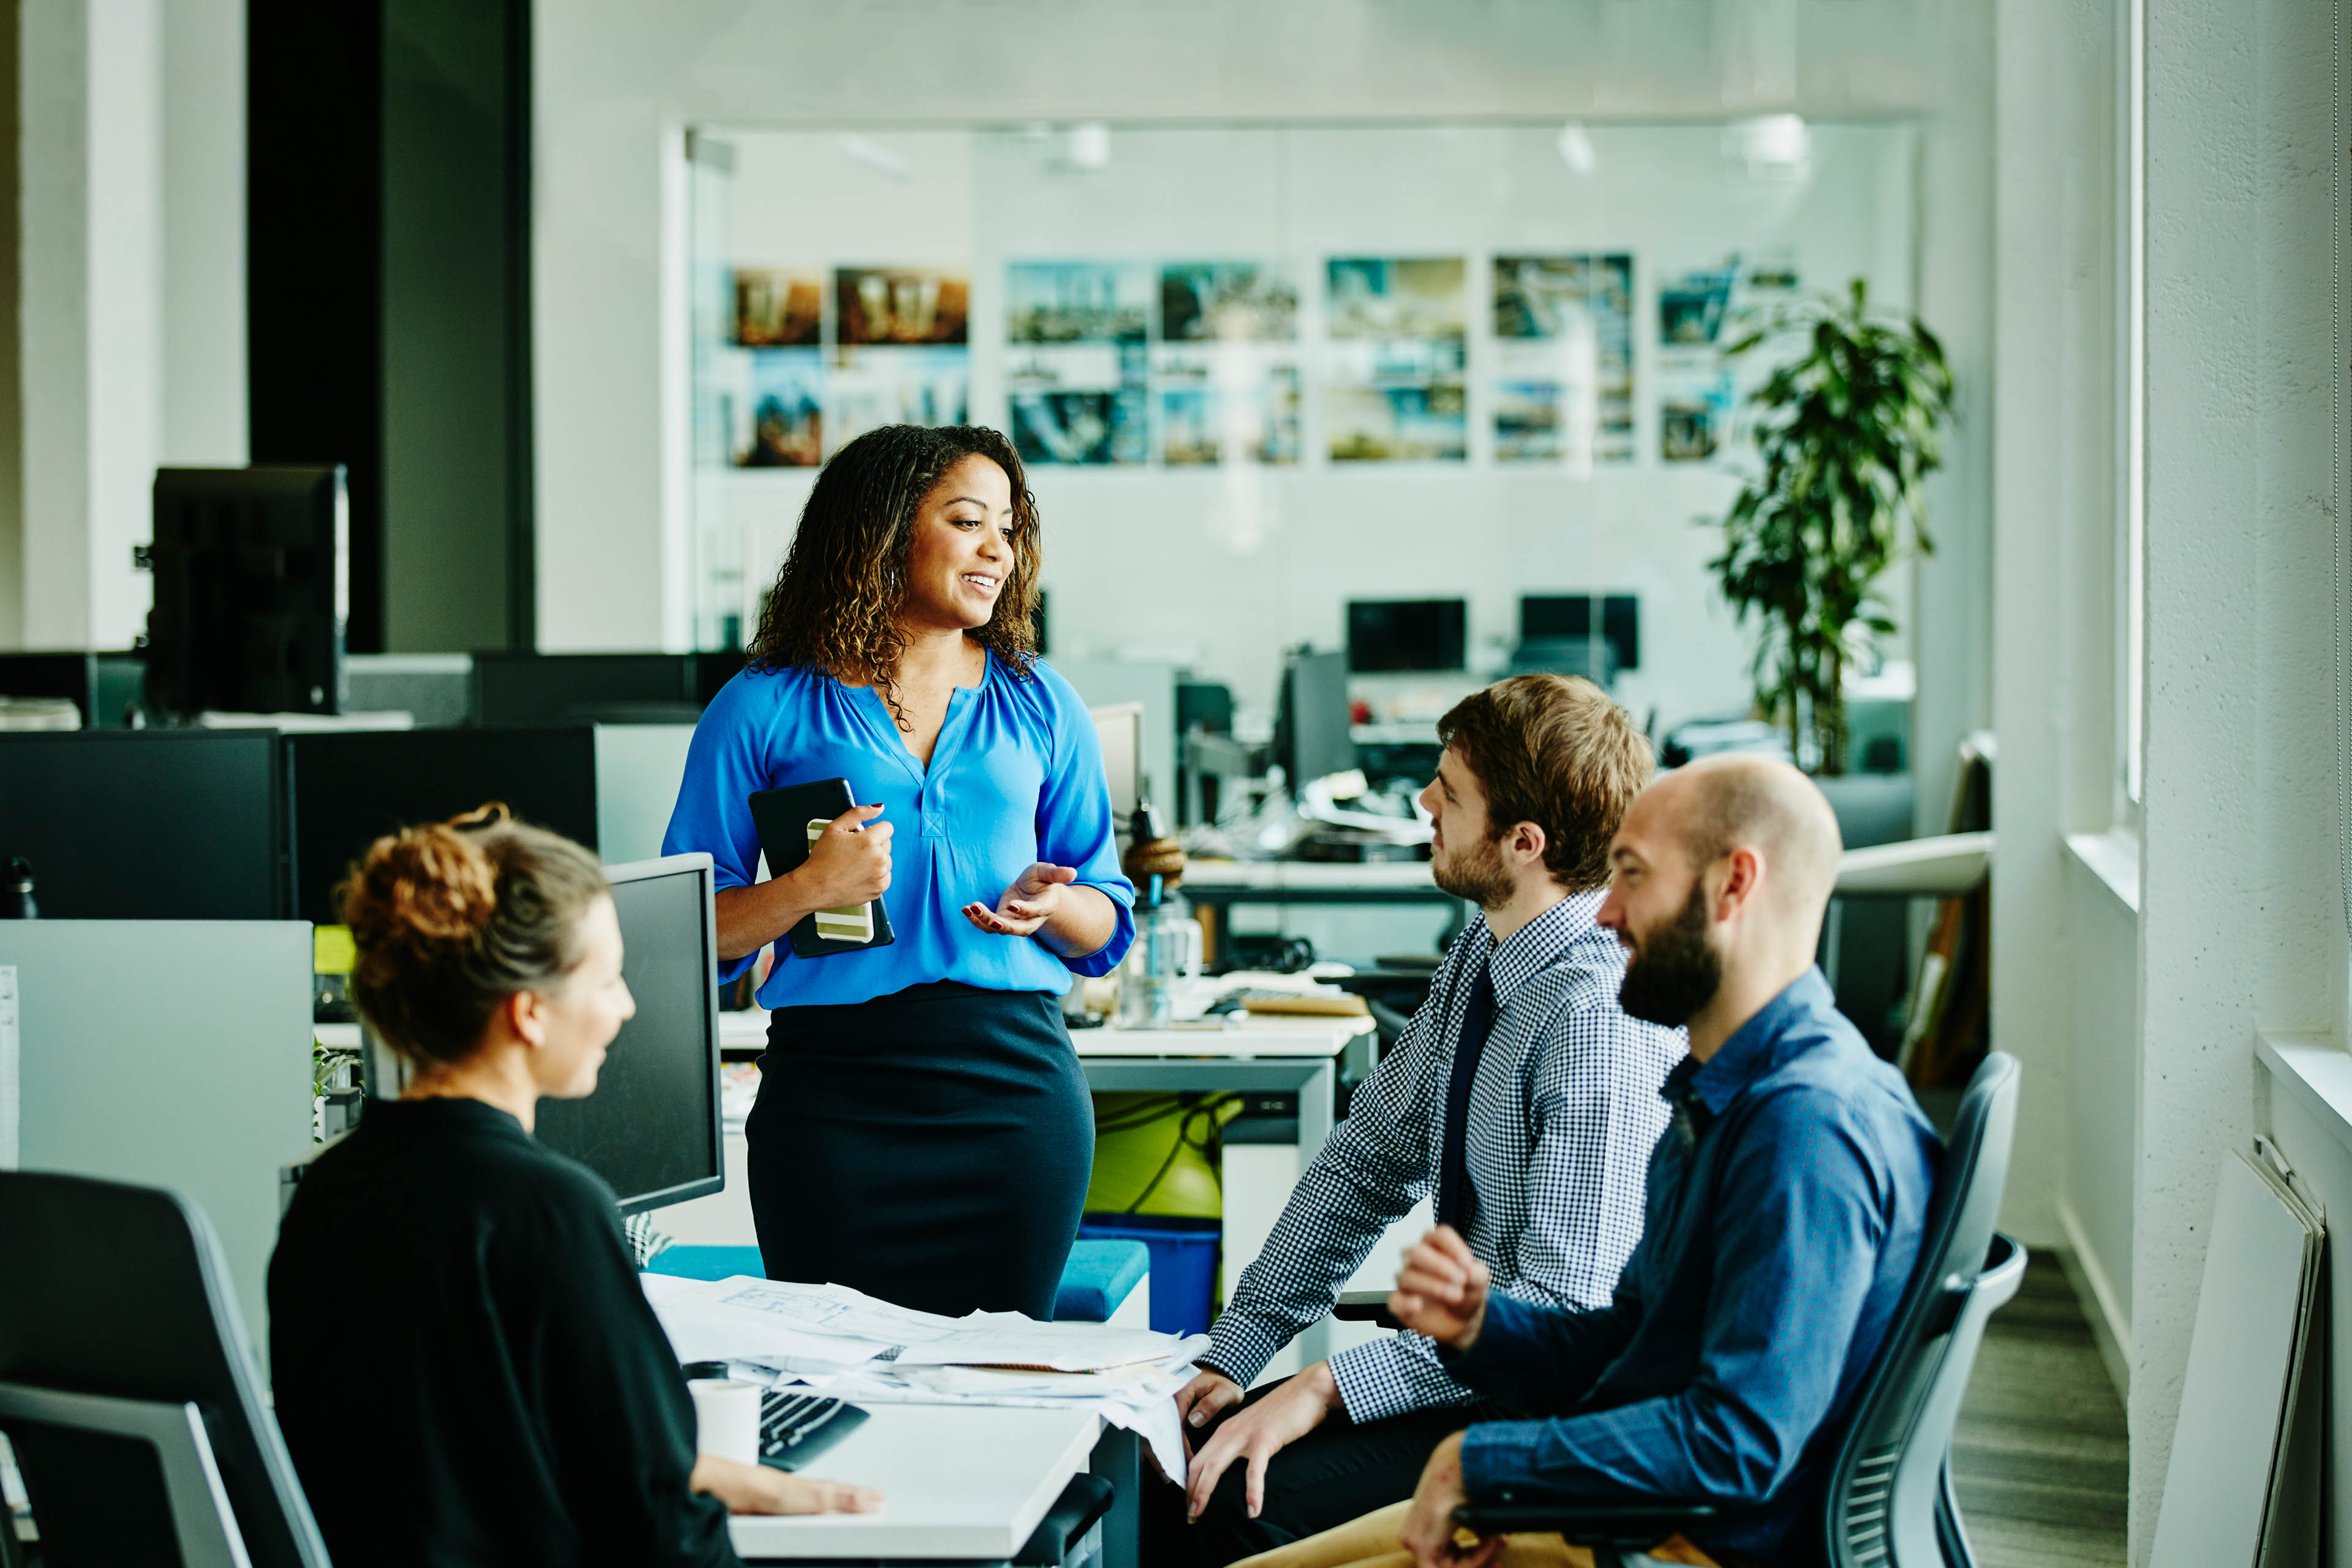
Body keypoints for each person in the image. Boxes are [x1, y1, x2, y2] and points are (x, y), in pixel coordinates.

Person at [1230, 755, 1942, 1568]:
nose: (1605, 915)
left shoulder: (1806, 1128)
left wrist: (1485, 1464)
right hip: (1630, 1511)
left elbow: (1735, 1443)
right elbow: (1634, 1341)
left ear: (1732, 887)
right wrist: (1483, 1325)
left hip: (1681, 1543)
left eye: (1631, 877)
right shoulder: (1723, 1090)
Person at [1155, 676, 1686, 1566]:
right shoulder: (1486, 949)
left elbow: (1557, 1320)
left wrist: (1328, 1386)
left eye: (1451, 791)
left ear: (1523, 843)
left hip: (1541, 1415)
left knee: (1223, 1509)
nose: (1423, 800)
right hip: (1468, 1375)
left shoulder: (1595, 1024)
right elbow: (1364, 1162)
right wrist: (1237, 1353)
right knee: (1170, 1465)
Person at [270, 807, 880, 1568]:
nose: (626, 1006)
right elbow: (659, 1523)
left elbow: (473, 1450)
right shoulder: (549, 1209)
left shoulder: (328, 1190)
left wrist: (708, 1472)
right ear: (528, 1013)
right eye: (606, 980)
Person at [662, 423, 1135, 1320]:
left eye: (1008, 527)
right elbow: (685, 936)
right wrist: (807, 890)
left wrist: (1057, 904)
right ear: (882, 532)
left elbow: (1110, 921)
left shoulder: (1040, 700)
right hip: (835, 1104)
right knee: (833, 1385)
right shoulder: (762, 705)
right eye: (968, 521)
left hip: (1015, 1098)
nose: (998, 549)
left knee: (1000, 1382)